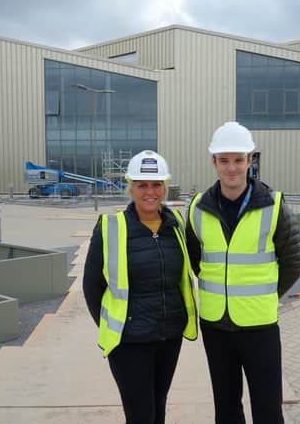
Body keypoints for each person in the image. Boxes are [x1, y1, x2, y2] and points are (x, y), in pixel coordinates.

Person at [186, 122, 300, 424]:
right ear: (214, 163)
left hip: (260, 327)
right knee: (226, 408)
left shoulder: (274, 206)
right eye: (224, 160)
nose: (232, 168)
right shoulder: (198, 208)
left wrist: (264, 296)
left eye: (238, 160)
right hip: (215, 327)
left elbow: (293, 263)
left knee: (267, 408)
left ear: (250, 160)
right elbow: (196, 259)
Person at [83, 150, 197, 424]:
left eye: (156, 184)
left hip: (169, 337)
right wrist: (114, 326)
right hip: (129, 342)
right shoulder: (111, 228)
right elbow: (92, 287)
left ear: (164, 187)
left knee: (158, 408)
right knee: (140, 416)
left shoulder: (176, 225)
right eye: (142, 185)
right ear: (131, 187)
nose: (150, 192)